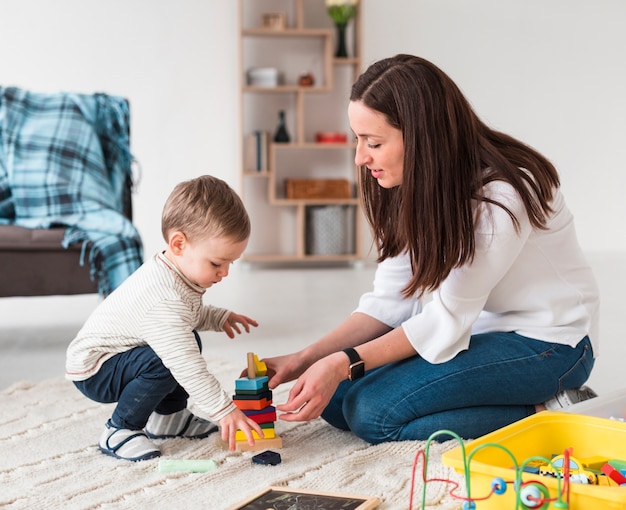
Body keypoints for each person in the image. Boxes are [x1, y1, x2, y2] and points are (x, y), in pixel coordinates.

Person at [263, 54, 600, 443]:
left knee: (373, 414)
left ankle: (552, 410)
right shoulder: (412, 182)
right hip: (479, 331)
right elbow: (390, 301)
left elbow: (445, 319)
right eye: (358, 139)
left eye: (373, 142)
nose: (360, 157)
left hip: (550, 343)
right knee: (338, 399)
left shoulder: (504, 194)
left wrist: (344, 362)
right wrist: (308, 358)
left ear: (422, 137)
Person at [66, 175, 263, 461]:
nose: (225, 273)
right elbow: (186, 364)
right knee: (169, 356)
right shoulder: (162, 298)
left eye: (230, 263)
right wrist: (224, 411)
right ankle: (119, 429)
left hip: (119, 355)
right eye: (217, 263)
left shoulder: (175, 274)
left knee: (185, 340)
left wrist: (218, 317)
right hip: (96, 369)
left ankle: (168, 417)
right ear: (179, 244)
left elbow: (186, 316)